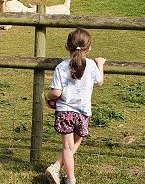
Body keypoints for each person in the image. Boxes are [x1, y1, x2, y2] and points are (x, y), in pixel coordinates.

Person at [45, 28, 106, 184]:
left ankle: (68, 176)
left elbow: (56, 92)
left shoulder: (61, 67)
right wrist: (101, 64)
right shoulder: (92, 65)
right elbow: (99, 82)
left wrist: (47, 96)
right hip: (83, 112)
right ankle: (59, 170)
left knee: (67, 147)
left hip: (65, 111)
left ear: (67, 46)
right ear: (89, 48)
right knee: (76, 141)